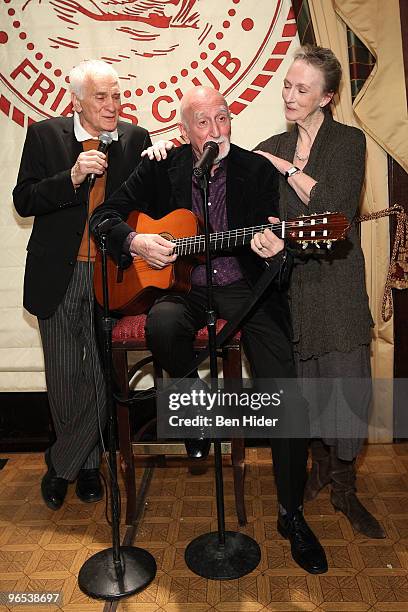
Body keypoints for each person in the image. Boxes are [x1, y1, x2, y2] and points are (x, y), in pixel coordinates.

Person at [90, 85, 328, 574]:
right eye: (203, 121)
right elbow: (103, 218)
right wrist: (135, 240)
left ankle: (291, 514)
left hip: (245, 288)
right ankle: (196, 412)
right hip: (184, 288)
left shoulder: (256, 169)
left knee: (287, 395)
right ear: (184, 130)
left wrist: (276, 249)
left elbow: (274, 241)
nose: (217, 129)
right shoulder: (162, 166)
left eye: (223, 117)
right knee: (162, 322)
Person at [252, 44, 384, 539]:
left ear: (326, 97)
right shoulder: (271, 143)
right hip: (291, 290)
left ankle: (346, 486)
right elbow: (263, 217)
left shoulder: (348, 143)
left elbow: (333, 215)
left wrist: (284, 170)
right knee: (306, 391)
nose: (288, 94)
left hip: (337, 285)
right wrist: (264, 235)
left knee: (346, 386)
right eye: (287, 84)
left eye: (301, 89)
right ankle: (319, 470)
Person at [13, 59, 152, 511]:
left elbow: (149, 207)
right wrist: (71, 178)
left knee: (99, 372)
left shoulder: (135, 139)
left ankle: (66, 464)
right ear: (77, 101)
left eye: (116, 95)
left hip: (112, 273)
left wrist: (165, 162)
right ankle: (86, 462)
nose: (113, 104)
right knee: (65, 373)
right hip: (60, 270)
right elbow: (24, 199)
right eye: (101, 96)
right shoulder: (45, 135)